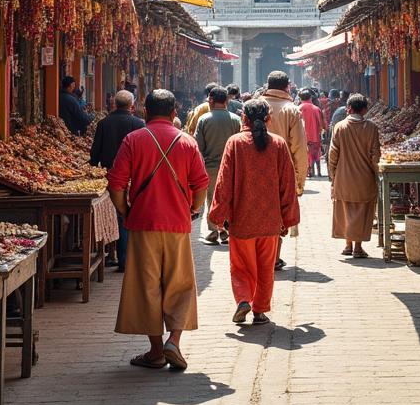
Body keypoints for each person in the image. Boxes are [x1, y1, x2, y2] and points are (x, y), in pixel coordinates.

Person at [108, 89, 209, 371]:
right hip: (177, 224)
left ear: (144, 111)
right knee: (180, 284)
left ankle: (155, 351)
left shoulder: (133, 140)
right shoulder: (187, 142)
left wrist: (126, 212)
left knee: (146, 286)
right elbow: (201, 184)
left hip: (142, 224)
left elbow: (116, 184)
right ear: (174, 113)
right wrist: (193, 210)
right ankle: (173, 342)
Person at [208, 99, 300, 325]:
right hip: (270, 221)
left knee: (241, 266)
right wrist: (288, 219)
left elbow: (223, 182)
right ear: (268, 118)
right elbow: (288, 184)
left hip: (241, 220)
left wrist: (218, 216)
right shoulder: (278, 144)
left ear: (244, 118)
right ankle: (259, 310)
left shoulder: (235, 143)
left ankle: (243, 300)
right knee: (265, 267)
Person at [90, 90, 146, 271]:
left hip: (109, 177)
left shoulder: (104, 123)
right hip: (133, 178)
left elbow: (94, 153)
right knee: (126, 217)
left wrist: (93, 169)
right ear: (132, 105)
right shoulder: (139, 124)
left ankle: (114, 255)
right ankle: (126, 260)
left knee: (113, 216)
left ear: (114, 104)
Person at [262, 70, 307, 270]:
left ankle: (263, 258)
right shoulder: (291, 110)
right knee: (278, 215)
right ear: (287, 86)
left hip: (255, 169)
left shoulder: (254, 106)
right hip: (283, 171)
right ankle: (274, 257)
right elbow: (299, 147)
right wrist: (300, 181)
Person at [328, 93, 381, 259]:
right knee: (363, 213)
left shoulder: (340, 127)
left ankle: (348, 245)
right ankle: (358, 247)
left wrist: (333, 175)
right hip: (365, 180)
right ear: (365, 110)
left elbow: (333, 154)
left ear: (349, 108)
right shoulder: (371, 128)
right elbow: (375, 155)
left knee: (344, 212)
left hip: (343, 179)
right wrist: (377, 174)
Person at [193, 86, 241, 244]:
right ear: (227, 101)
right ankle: (226, 229)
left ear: (211, 100)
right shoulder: (236, 119)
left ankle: (214, 230)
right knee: (229, 199)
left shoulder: (204, 119)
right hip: (232, 167)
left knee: (211, 199)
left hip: (211, 167)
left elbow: (197, 146)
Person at [298, 89, 325, 178]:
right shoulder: (316, 109)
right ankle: (318, 171)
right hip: (315, 137)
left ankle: (308, 171)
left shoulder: (298, 109)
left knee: (305, 155)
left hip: (302, 137)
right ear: (310, 98)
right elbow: (322, 124)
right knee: (316, 154)